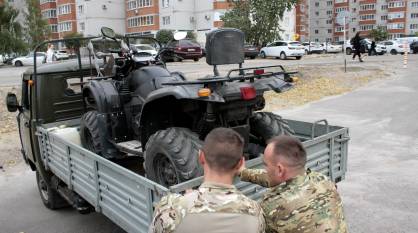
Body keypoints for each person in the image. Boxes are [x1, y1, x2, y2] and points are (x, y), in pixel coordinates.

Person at [149, 128, 265, 233]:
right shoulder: (256, 213)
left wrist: (186, 200)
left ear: (201, 157)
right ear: (240, 163)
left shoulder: (171, 207)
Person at [239, 135, 348, 233]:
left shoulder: (272, 206)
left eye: (266, 165)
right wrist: (243, 172)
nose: (265, 169)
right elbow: (274, 177)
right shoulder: (322, 179)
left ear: (280, 170)